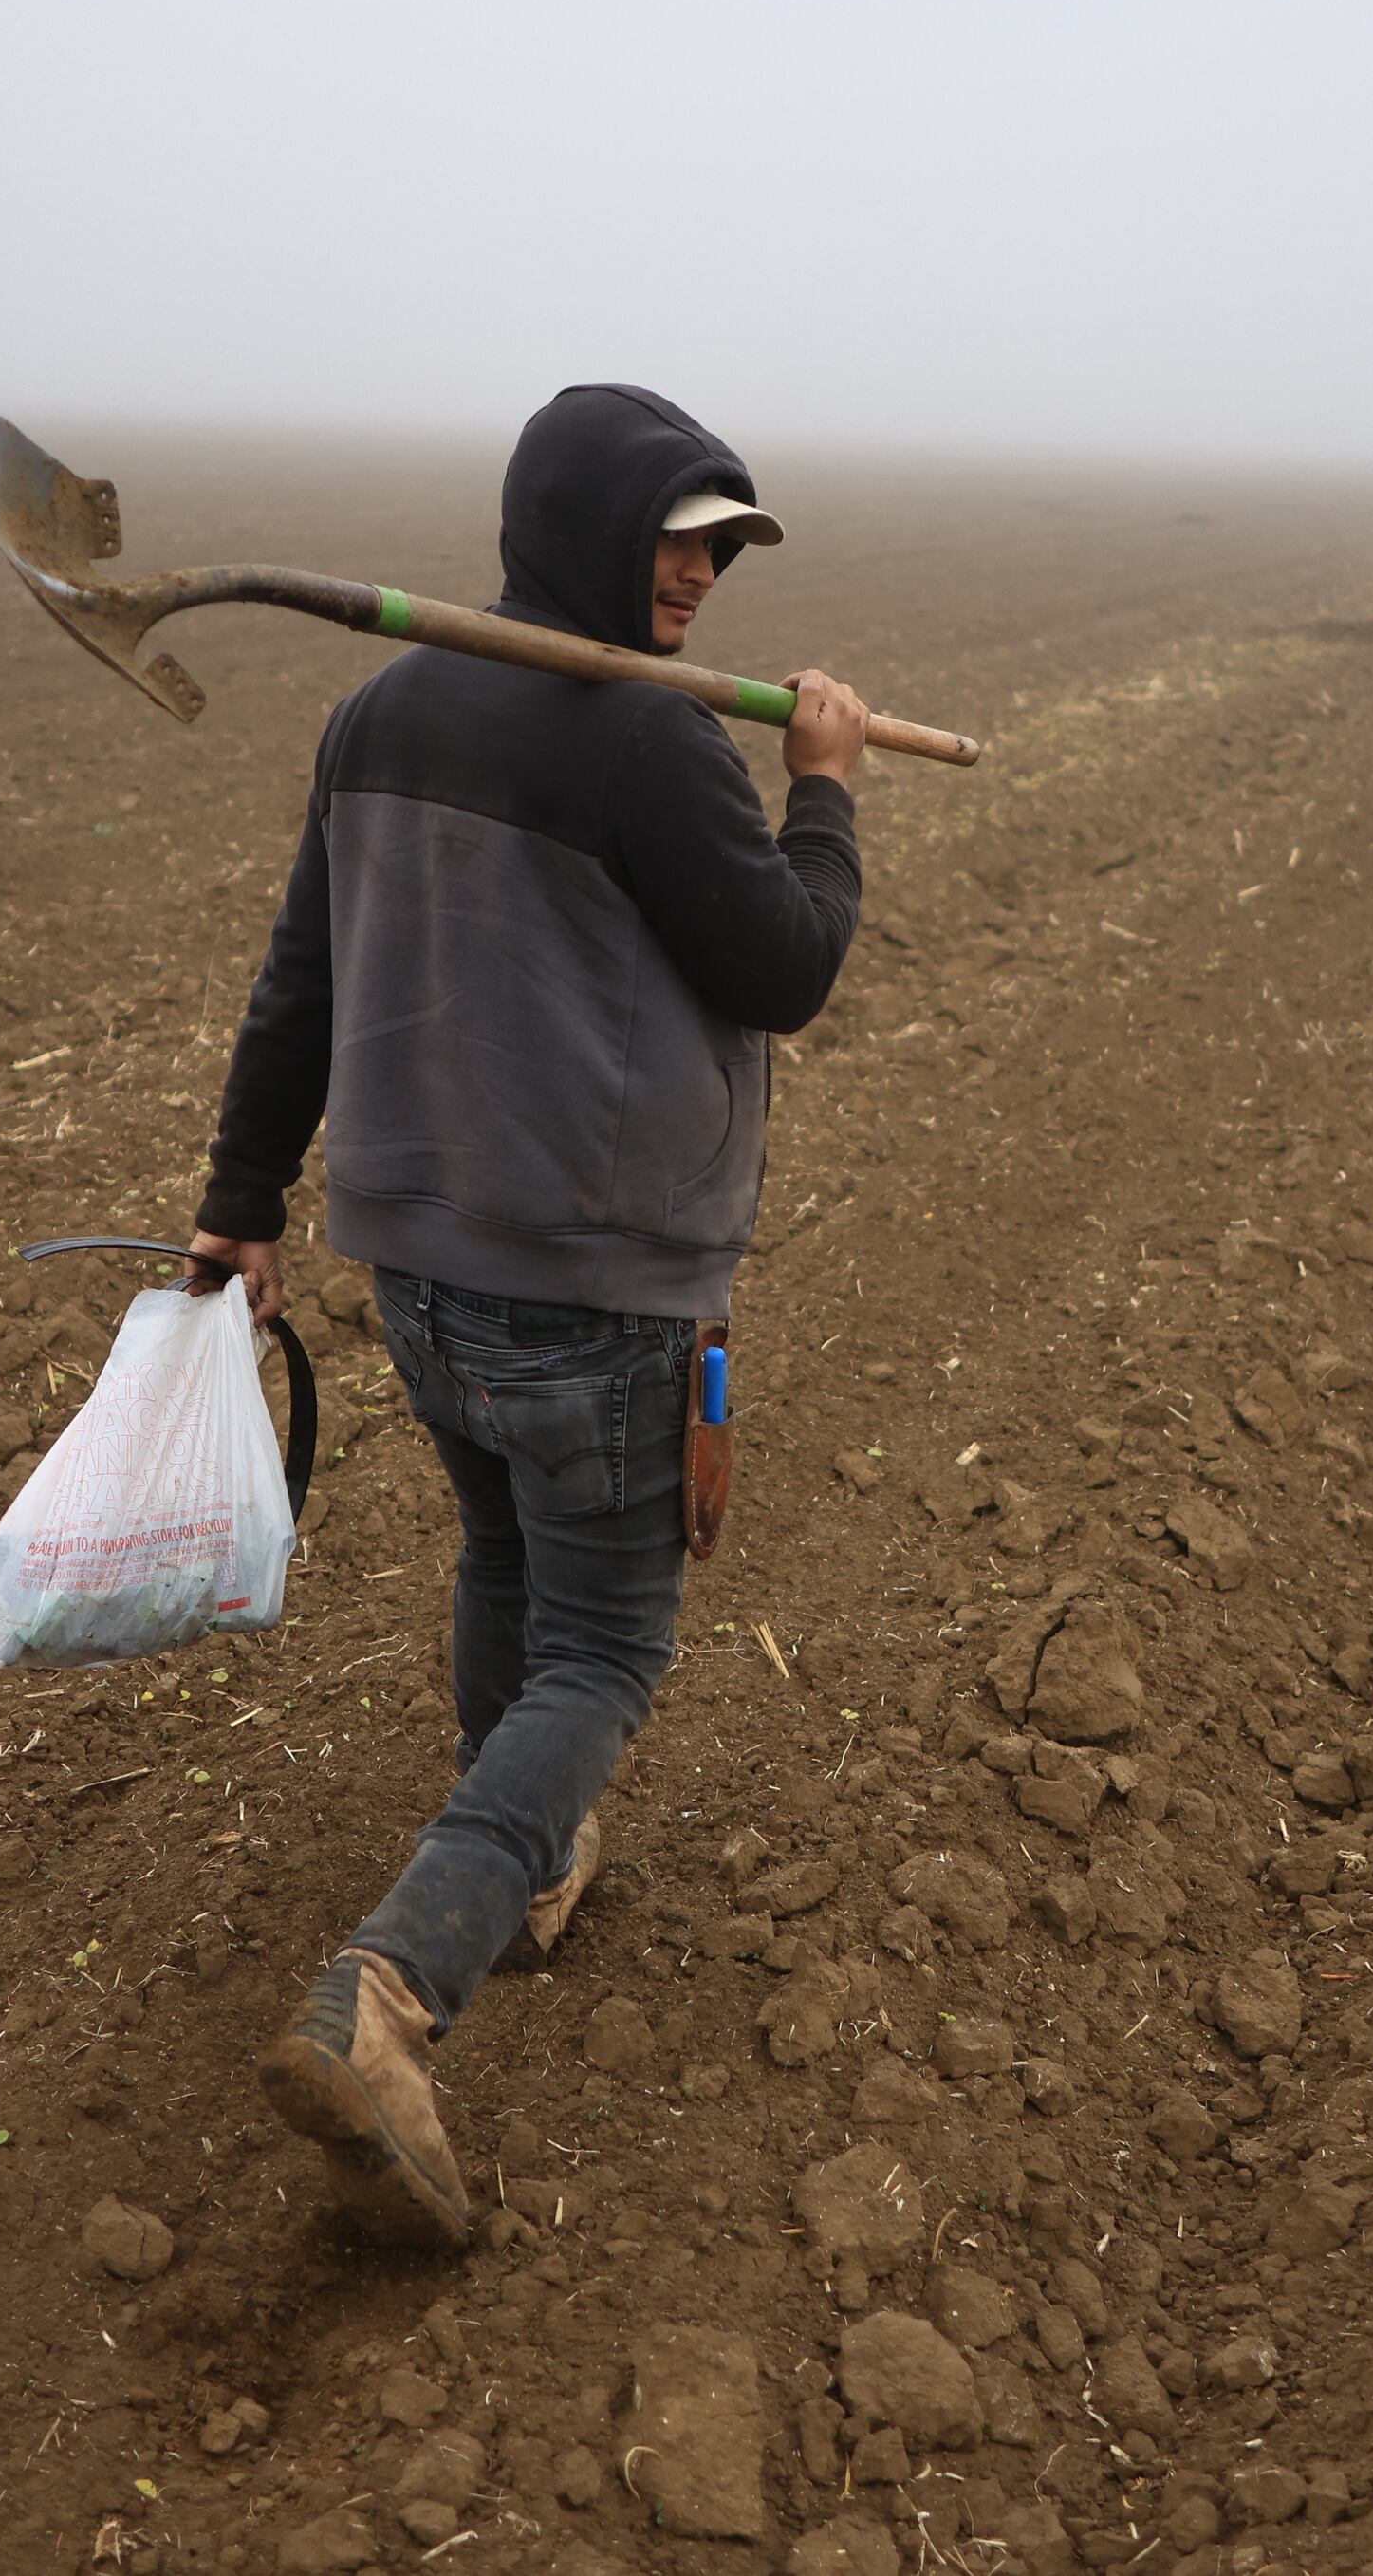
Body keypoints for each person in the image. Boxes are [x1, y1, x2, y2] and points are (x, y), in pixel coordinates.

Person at [186, 382, 869, 2245]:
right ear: (573, 527)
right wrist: (821, 785)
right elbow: (785, 962)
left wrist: (245, 1198)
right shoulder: (647, 744)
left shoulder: (378, 713)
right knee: (602, 1654)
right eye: (669, 535)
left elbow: (296, 983)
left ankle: (534, 1855)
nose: (694, 574)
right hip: (591, 1276)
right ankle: (388, 1990)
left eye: (717, 543)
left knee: (503, 1544)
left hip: (420, 1264)